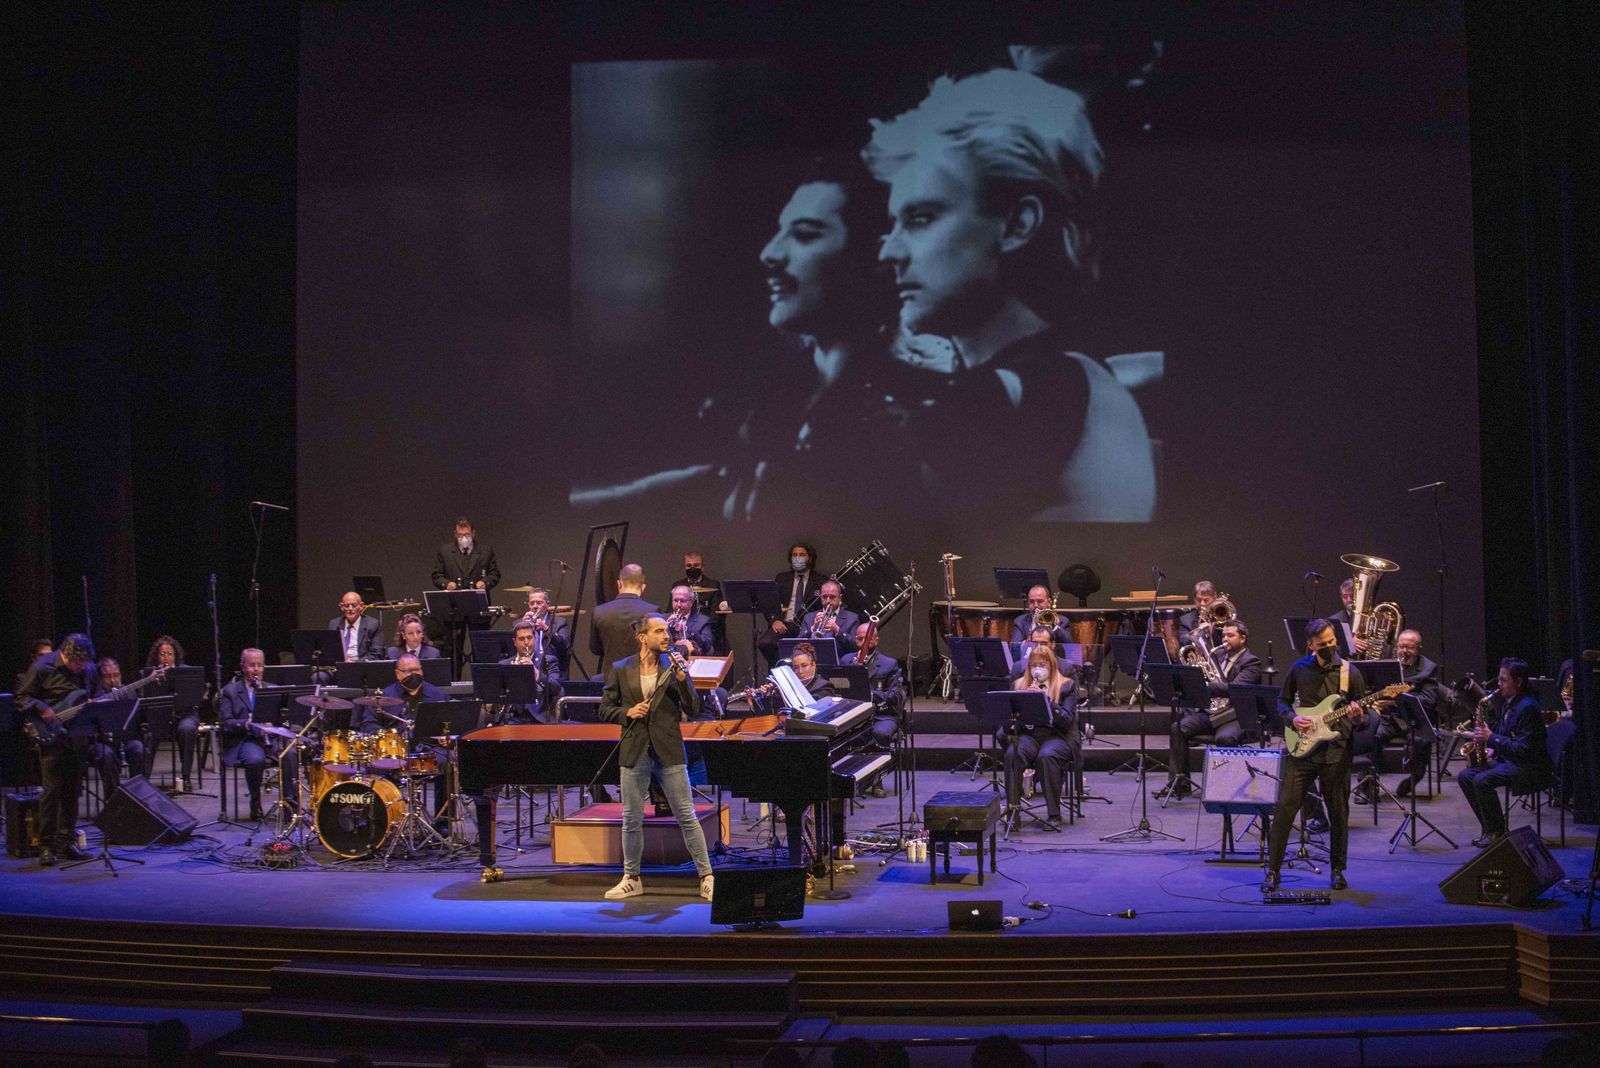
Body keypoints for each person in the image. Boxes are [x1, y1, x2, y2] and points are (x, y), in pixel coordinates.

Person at [865, 67, 1158, 522]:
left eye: (921, 218)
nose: (889, 250)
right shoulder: (1079, 377)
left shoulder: (1018, 394)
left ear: (1018, 223)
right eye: (892, 224)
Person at [596, 615, 715, 901]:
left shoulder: (673, 667)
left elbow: (693, 707)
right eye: (659, 631)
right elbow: (604, 709)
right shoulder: (621, 669)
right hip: (635, 749)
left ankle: (706, 876)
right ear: (642, 637)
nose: (666, 636)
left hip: (669, 749)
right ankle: (631, 878)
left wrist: (685, 679)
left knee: (686, 814)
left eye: (667, 631)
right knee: (631, 817)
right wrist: (627, 712)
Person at [1263, 619, 1369, 891]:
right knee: (1285, 810)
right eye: (1323, 644)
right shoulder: (1299, 669)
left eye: (1332, 641)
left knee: (1338, 813)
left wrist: (1358, 718)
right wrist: (1292, 719)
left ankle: (1337, 870)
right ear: (1310, 645)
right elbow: (1282, 701)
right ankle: (1273, 871)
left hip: (1336, 752)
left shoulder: (1350, 673)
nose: (1329, 647)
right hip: (1302, 750)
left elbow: (1365, 719)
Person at [15, 633, 99, 865]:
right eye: (78, 664)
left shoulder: (87, 670)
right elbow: (22, 697)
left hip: (77, 736)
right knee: (51, 792)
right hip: (50, 735)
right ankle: (45, 846)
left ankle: (65, 843)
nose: (81, 668)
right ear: (65, 654)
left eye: (84, 664)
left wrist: (95, 705)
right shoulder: (43, 666)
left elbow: (94, 695)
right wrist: (42, 708)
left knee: (73, 792)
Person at [1456, 657, 1550, 847]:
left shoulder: (1528, 707)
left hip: (1529, 766)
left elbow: (1525, 750)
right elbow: (1503, 733)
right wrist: (1488, 746)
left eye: (1503, 680)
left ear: (1518, 682)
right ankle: (1490, 828)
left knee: (1482, 780)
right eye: (1499, 679)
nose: (1498, 685)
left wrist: (1491, 738)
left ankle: (1498, 833)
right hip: (1509, 760)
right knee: (1466, 776)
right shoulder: (1509, 702)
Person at [1163, 620, 1262, 797]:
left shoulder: (1251, 662)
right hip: (1214, 713)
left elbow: (1235, 689)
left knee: (1224, 738)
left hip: (1235, 716)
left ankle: (1229, 787)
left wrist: (1204, 685)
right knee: (1177, 728)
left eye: (1230, 635)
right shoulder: (1219, 656)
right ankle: (1180, 784)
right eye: (1224, 635)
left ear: (1243, 639)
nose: (1225, 639)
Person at [1352, 628, 1439, 800]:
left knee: (1420, 742)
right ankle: (1368, 786)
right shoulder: (1388, 665)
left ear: (1418, 649)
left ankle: (1415, 777)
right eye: (1401, 647)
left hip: (1414, 720)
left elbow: (1429, 700)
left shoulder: (1429, 668)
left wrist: (1396, 700)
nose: (1404, 651)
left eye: (1409, 648)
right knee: (1371, 735)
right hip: (1390, 718)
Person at [999, 645, 1078, 830]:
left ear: (1051, 666)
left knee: (1046, 757)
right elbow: (1011, 721)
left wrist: (1047, 701)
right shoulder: (1019, 684)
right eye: (1034, 665)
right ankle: (1013, 813)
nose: (1037, 669)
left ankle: (1054, 815)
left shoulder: (1066, 685)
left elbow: (1067, 721)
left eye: (1042, 665)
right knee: (1013, 754)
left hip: (1057, 736)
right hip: (1030, 735)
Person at [218, 648, 300, 823]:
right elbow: (225, 723)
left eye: (259, 665)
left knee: (291, 754)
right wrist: (246, 723)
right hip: (247, 739)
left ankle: (290, 807)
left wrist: (276, 724)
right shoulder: (230, 691)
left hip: (271, 738)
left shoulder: (273, 689)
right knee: (255, 760)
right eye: (251, 665)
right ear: (243, 667)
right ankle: (255, 801)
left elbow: (284, 717)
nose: (256, 669)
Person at [145, 635, 200, 792]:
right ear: (157, 656)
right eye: (162, 654)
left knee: (187, 729)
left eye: (169, 654)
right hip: (160, 717)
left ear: (175, 655)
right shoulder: (151, 674)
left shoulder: (187, 672)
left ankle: (186, 777)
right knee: (149, 734)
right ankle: (144, 778)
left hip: (185, 714)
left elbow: (196, 697)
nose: (166, 657)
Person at [89, 658, 151, 785]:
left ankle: (137, 794)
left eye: (116, 675)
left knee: (139, 749)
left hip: (125, 741)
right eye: (107, 677)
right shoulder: (94, 697)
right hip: (102, 743)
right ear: (99, 679)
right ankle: (114, 799)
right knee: (106, 755)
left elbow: (138, 722)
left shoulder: (129, 693)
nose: (113, 681)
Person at [590, 564, 659, 675]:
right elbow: (658, 648)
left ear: (619, 584)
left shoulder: (599, 612)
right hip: (642, 681)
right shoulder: (652, 611)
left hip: (612, 681)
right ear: (643, 587)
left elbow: (595, 649)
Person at [760, 543, 821, 667]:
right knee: (765, 642)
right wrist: (774, 621)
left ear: (810, 558)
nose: (798, 558)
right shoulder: (782, 578)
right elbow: (770, 603)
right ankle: (781, 670)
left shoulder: (820, 580)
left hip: (807, 625)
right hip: (784, 624)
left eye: (802, 555)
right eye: (794, 555)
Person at [496, 619, 563, 724]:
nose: (526, 642)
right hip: (512, 718)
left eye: (529, 638)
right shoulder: (504, 664)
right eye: (521, 639)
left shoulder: (548, 660)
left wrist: (537, 674)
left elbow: (556, 688)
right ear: (514, 642)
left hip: (538, 719)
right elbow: (497, 695)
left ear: (535, 639)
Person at [854, 622, 906, 749]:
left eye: (867, 638)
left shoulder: (889, 663)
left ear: (876, 640)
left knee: (879, 733)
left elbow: (896, 695)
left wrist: (870, 695)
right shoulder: (846, 660)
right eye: (860, 639)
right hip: (854, 716)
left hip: (882, 715)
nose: (863, 642)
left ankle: (880, 764)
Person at [431, 516, 501, 592]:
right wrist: (447, 584)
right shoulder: (445, 551)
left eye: (467, 535)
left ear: (473, 533)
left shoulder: (486, 551)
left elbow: (495, 574)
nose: (464, 538)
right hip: (453, 599)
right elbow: (436, 576)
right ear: (455, 534)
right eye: (460, 535)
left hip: (478, 599)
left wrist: (484, 582)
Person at [799, 580, 862, 657]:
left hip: (840, 663)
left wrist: (838, 631)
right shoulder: (809, 617)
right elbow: (797, 645)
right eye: (824, 597)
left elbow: (856, 647)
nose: (828, 601)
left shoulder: (852, 618)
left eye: (832, 597)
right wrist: (813, 629)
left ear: (840, 598)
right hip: (813, 663)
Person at [518, 587, 572, 676]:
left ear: (547, 604)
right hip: (525, 669)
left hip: (551, 670)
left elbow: (565, 646)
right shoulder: (518, 623)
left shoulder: (559, 622)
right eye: (532, 603)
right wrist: (523, 627)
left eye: (539, 603)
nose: (535, 606)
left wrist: (547, 629)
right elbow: (513, 646)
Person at [680, 552, 727, 654]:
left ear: (702, 567)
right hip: (683, 633)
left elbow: (717, 615)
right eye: (689, 565)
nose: (692, 568)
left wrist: (701, 629)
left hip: (706, 631)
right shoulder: (678, 585)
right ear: (684, 567)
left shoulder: (713, 585)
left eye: (696, 565)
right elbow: (671, 610)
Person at [328, 592, 385, 663]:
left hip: (361, 666)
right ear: (342, 607)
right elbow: (329, 651)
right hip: (338, 666)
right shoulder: (334, 624)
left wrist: (355, 664)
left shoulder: (373, 625)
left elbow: (377, 653)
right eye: (346, 605)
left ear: (361, 606)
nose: (350, 608)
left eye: (354, 605)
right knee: (320, 674)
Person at [665, 584, 715, 658]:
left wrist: (686, 630)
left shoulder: (703, 621)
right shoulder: (663, 619)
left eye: (682, 601)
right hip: (669, 659)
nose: (678, 605)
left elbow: (707, 646)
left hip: (693, 659)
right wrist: (665, 627)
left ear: (691, 602)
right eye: (675, 600)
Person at [1174, 582, 1219, 649]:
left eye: (1206, 600)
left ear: (1214, 599)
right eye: (1199, 600)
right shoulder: (1186, 620)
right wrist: (1202, 631)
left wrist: (1213, 632)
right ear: (1194, 600)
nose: (1202, 604)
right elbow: (1183, 641)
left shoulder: (1223, 617)